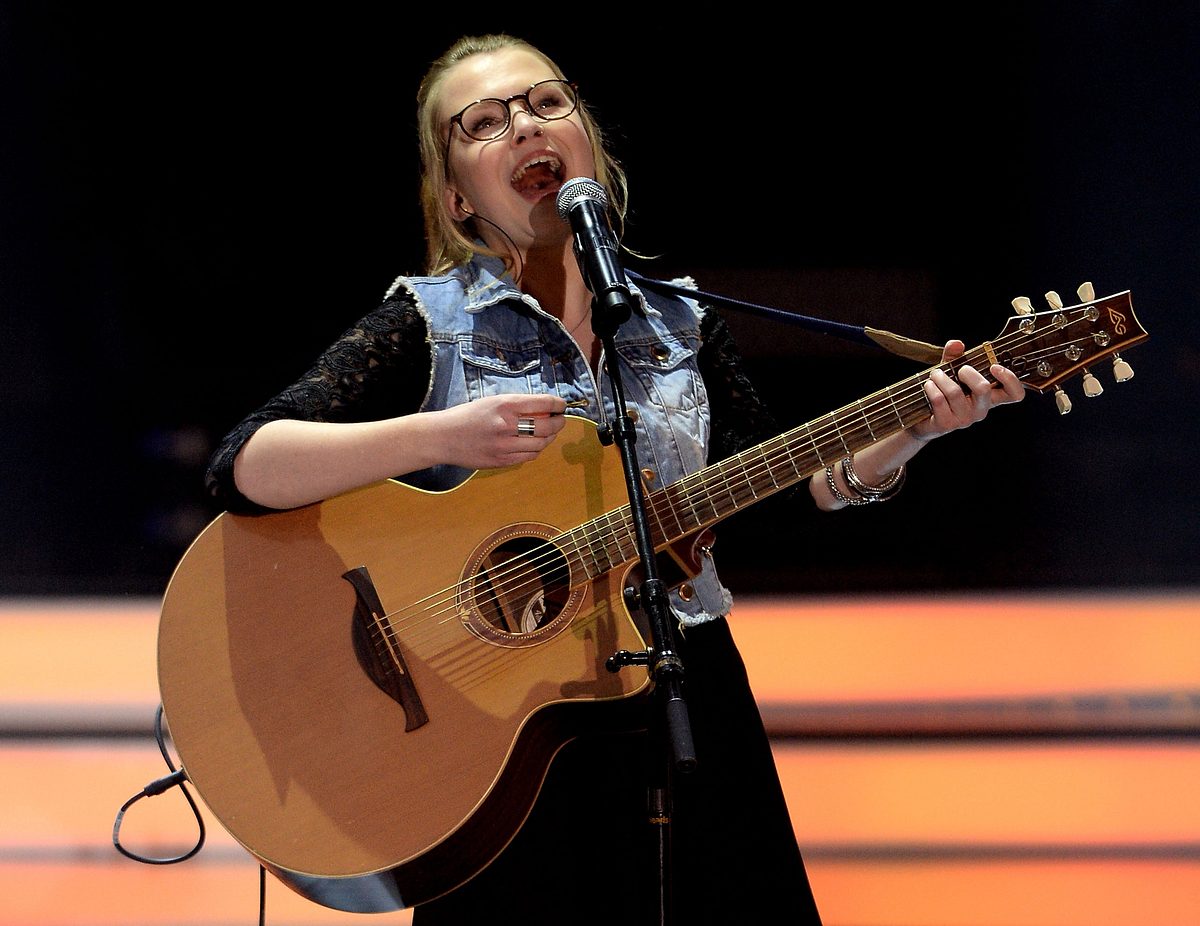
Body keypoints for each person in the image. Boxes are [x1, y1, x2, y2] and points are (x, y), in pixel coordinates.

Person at [203, 32, 1025, 925]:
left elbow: (799, 483)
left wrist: (913, 428)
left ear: (589, 148)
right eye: (484, 123)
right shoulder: (429, 322)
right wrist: (441, 434)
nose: (524, 127)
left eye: (546, 104)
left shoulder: (678, 318)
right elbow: (248, 465)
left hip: (687, 696)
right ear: (456, 196)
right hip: (500, 732)